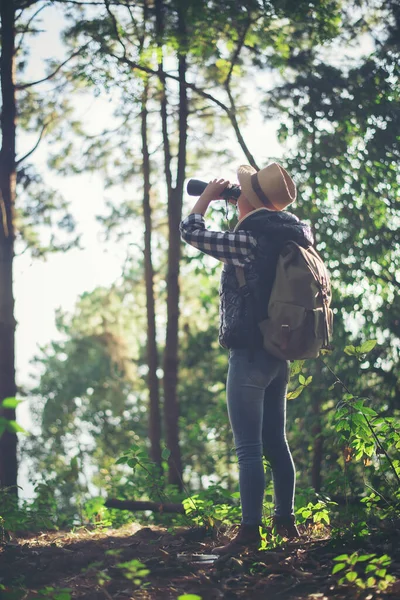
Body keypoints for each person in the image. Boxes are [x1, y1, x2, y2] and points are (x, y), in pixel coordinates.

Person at [179, 162, 314, 555]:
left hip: (249, 354)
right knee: (277, 442)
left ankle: (250, 532)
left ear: (248, 200)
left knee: (249, 449)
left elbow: (192, 231)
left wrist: (205, 198)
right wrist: (242, 205)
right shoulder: (294, 236)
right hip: (279, 354)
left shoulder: (249, 240)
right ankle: (284, 522)